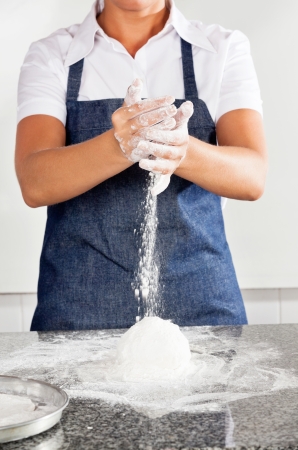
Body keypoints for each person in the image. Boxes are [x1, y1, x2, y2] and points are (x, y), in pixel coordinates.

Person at [15, 0, 267, 331]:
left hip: (202, 311)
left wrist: (182, 151)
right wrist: (118, 145)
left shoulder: (221, 49)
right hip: (76, 312)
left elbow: (252, 177)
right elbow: (35, 182)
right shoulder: (52, 56)